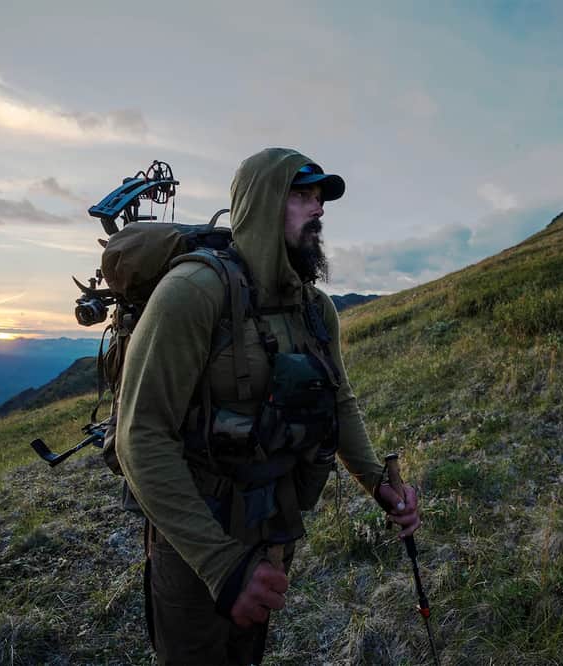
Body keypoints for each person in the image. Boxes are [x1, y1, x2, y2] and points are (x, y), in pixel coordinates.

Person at [116, 147, 421, 665]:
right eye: (302, 195)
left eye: (320, 197)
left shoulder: (315, 307)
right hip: (195, 535)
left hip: (274, 523)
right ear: (261, 204)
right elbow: (139, 436)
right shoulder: (193, 293)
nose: (319, 208)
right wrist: (221, 565)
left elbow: (339, 400)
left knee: (246, 652)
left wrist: (379, 483)